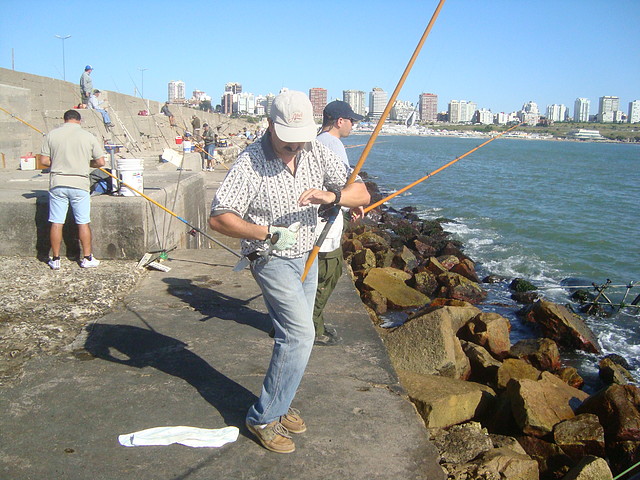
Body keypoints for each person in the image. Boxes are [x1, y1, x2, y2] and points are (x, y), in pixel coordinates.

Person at [208, 90, 370, 454]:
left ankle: (280, 402)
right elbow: (219, 216)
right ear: (270, 126)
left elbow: (361, 192)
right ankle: (263, 417)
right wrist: (266, 232)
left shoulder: (315, 149)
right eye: (288, 143)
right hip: (270, 257)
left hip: (308, 255)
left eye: (301, 141)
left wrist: (332, 197)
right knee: (299, 336)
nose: (296, 148)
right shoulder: (250, 163)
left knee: (298, 334)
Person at [313, 100, 364, 346]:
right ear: (339, 121)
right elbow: (343, 183)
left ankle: (302, 323)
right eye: (351, 120)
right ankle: (312, 328)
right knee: (327, 275)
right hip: (326, 223)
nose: (353, 125)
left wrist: (348, 203)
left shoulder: (316, 140)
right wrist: (354, 200)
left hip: (318, 218)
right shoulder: (333, 144)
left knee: (312, 275)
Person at [39, 109, 105, 270]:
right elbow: (101, 162)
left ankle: (55, 260)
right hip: (80, 184)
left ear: (65, 120)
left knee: (56, 222)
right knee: (83, 222)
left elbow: (44, 161)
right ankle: (87, 258)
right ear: (79, 121)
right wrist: (85, 164)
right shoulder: (88, 136)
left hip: (58, 183)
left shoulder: (51, 135)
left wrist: (59, 163)